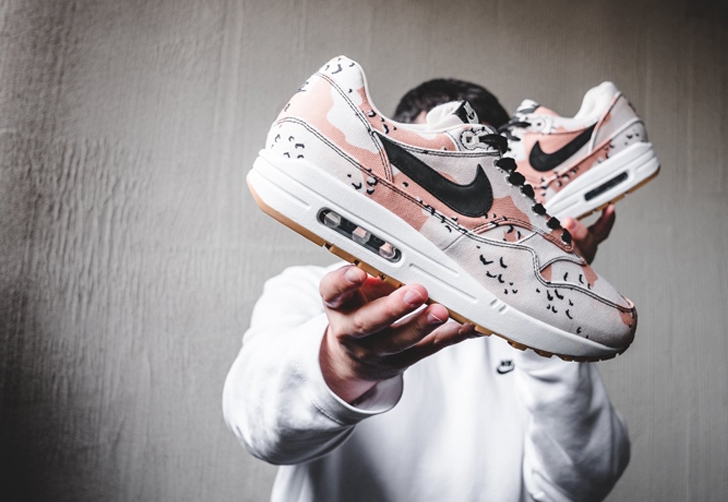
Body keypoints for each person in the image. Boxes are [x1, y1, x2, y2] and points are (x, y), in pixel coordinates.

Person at [223, 78, 630, 502]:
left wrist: (546, 309)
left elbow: (581, 485)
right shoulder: (307, 290)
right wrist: (341, 363)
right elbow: (259, 430)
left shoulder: (509, 319)